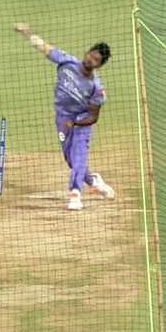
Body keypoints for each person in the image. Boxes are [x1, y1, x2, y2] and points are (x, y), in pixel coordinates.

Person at [13, 23, 115, 211]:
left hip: (82, 121)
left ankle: (75, 194)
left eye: (96, 60)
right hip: (62, 118)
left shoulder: (96, 87)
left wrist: (75, 123)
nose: (91, 60)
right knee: (71, 159)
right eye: (91, 55)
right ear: (87, 52)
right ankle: (93, 180)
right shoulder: (67, 61)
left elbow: (93, 117)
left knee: (78, 154)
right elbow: (44, 47)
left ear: (99, 66)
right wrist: (26, 32)